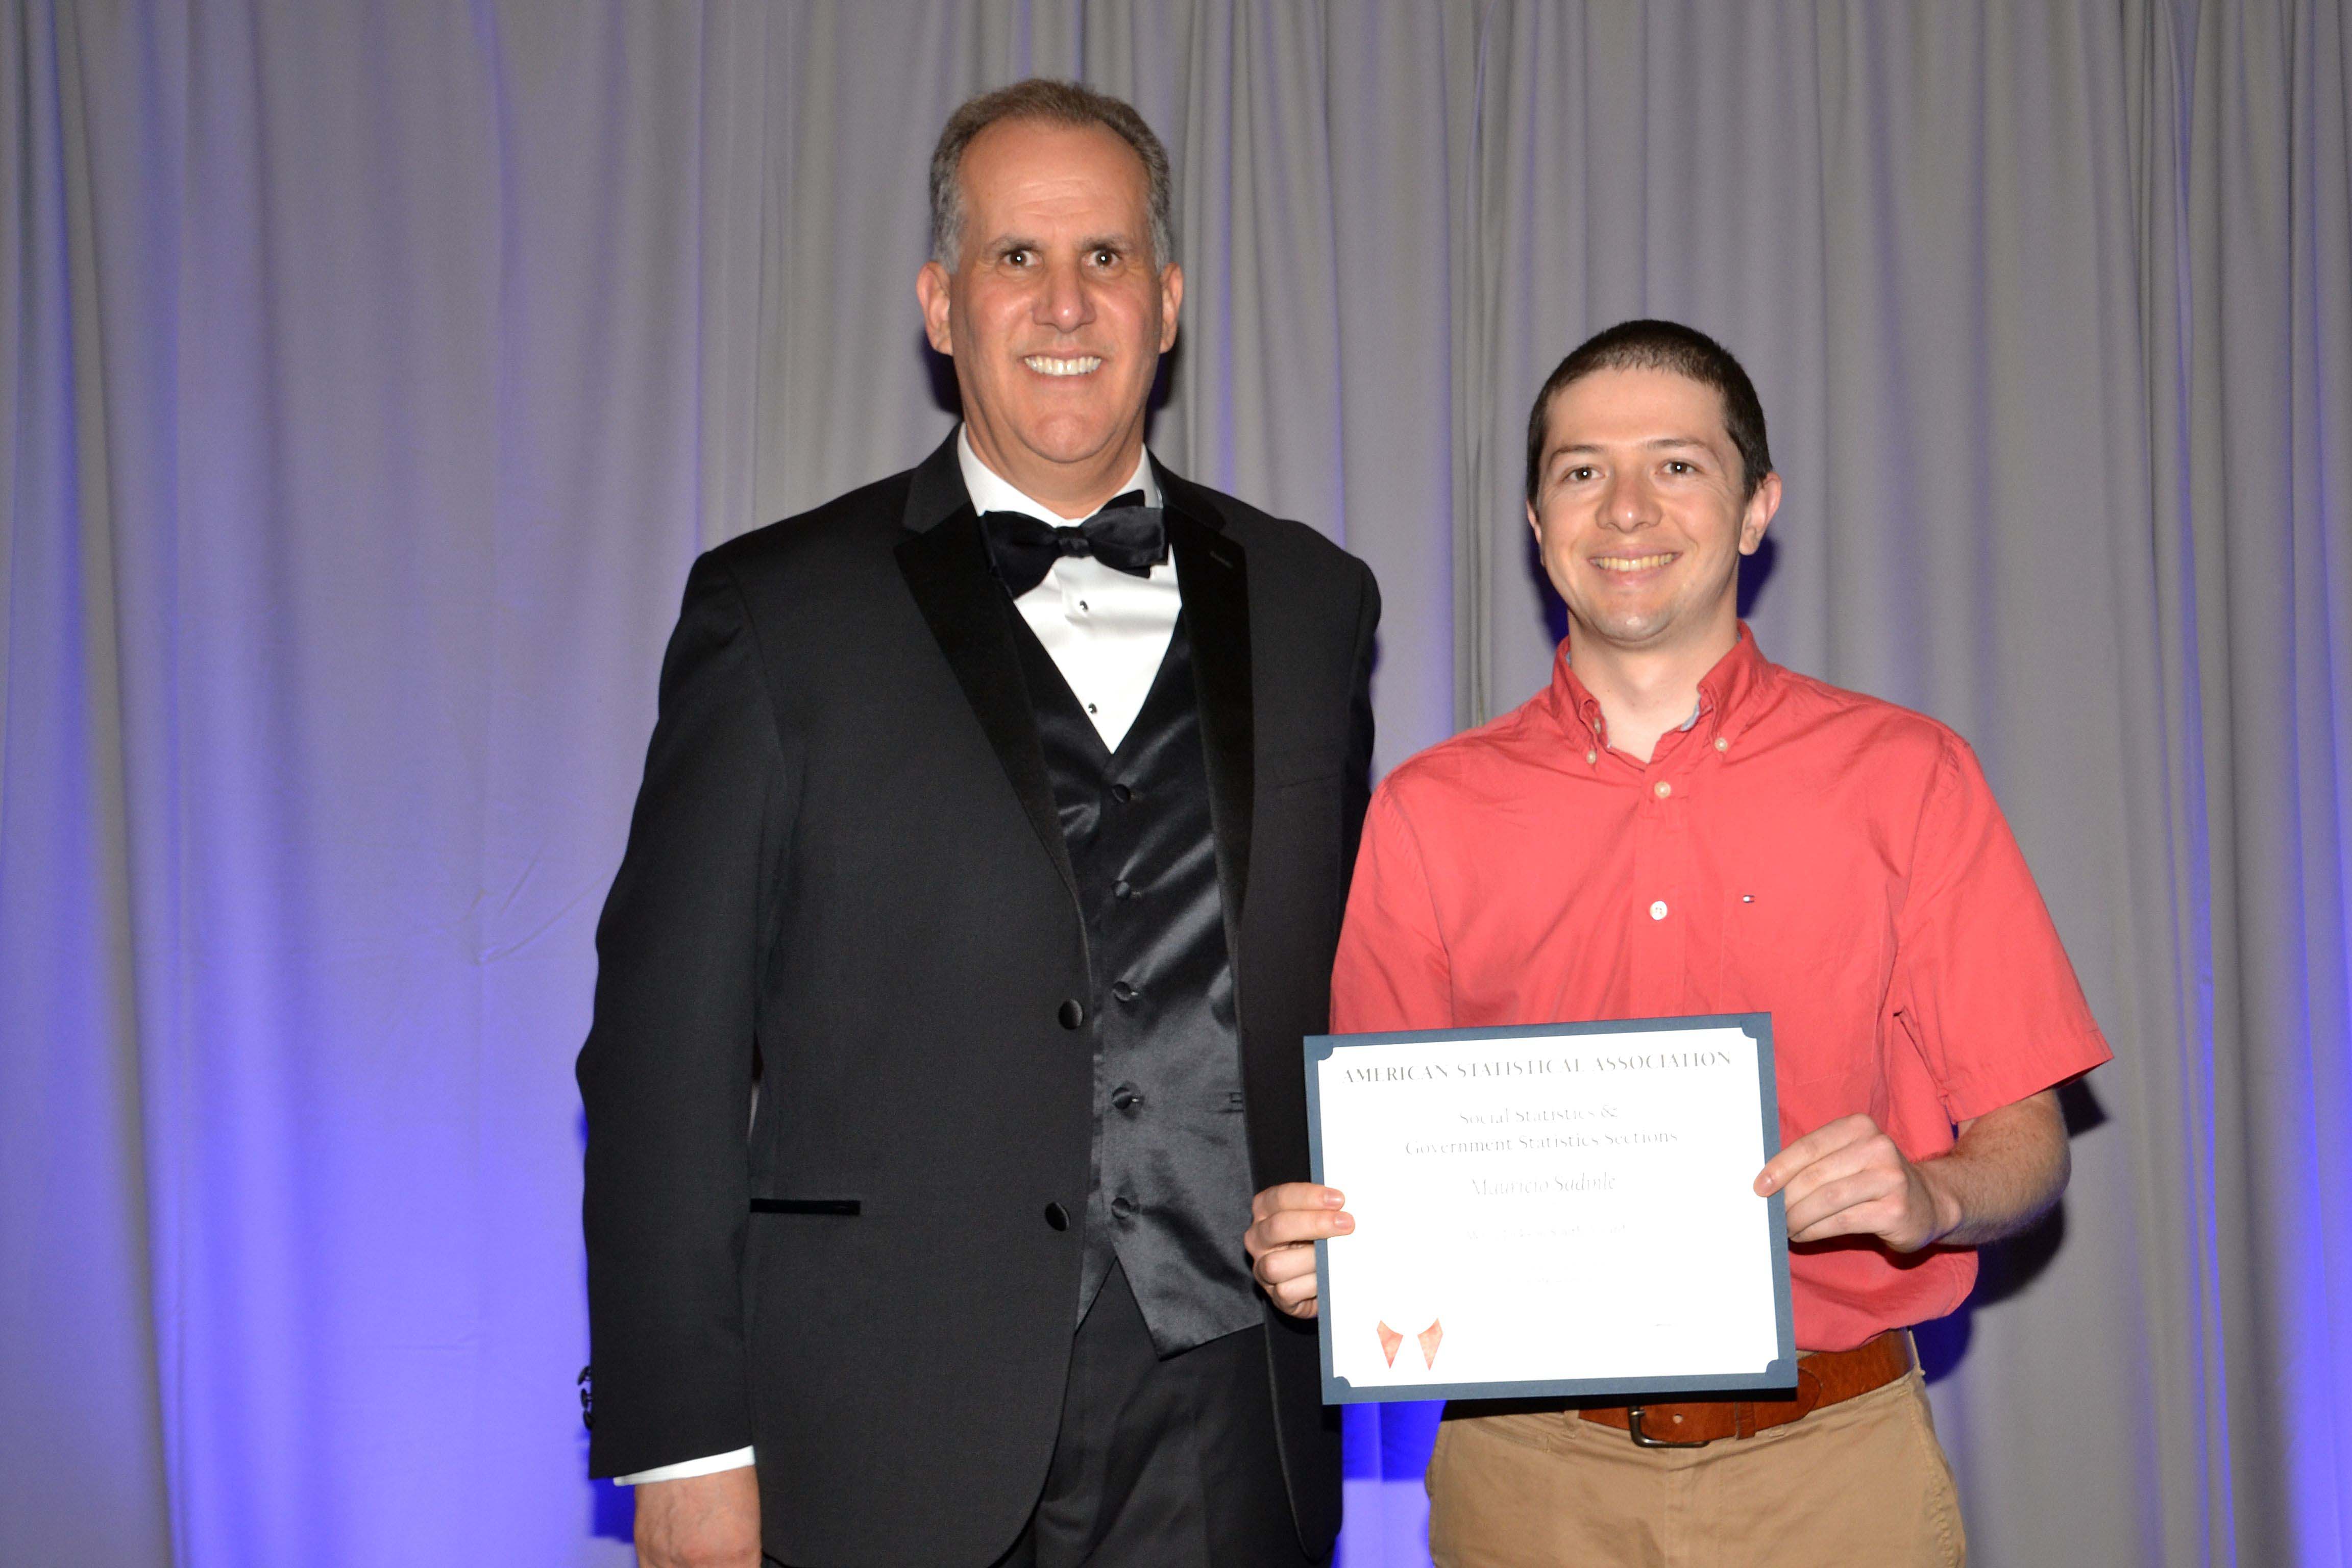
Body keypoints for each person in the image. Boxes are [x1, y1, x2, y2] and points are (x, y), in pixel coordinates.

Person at [577, 79, 1375, 1568]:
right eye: (1018, 258)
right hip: (882, 1423)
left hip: (1231, 1414)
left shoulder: (1317, 598)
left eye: (1107, 259)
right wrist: (681, 1436)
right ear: (942, 304)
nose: (1065, 303)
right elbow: (660, 1052)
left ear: (1171, 299)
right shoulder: (774, 609)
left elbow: (1350, 988)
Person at [1243, 320, 2110, 1567]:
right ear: (1539, 526)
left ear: (1758, 507)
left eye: (1679, 465)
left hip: (1835, 1473)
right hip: (1527, 1481)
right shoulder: (1429, 812)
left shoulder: (1909, 777)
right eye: (1582, 471)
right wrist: (1324, 1247)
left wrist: (1933, 1196)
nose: (1628, 510)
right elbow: (1379, 1174)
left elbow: (2029, 1146)